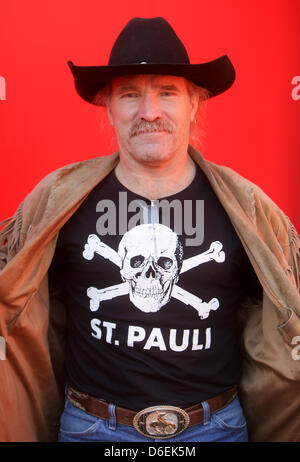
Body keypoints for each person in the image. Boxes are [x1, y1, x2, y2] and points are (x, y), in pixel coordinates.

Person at [0, 17, 299, 443]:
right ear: (109, 107)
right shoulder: (57, 201)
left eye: (167, 92)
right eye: (130, 94)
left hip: (215, 430)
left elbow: (284, 305)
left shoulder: (247, 209)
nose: (149, 111)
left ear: (194, 103)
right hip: (91, 430)